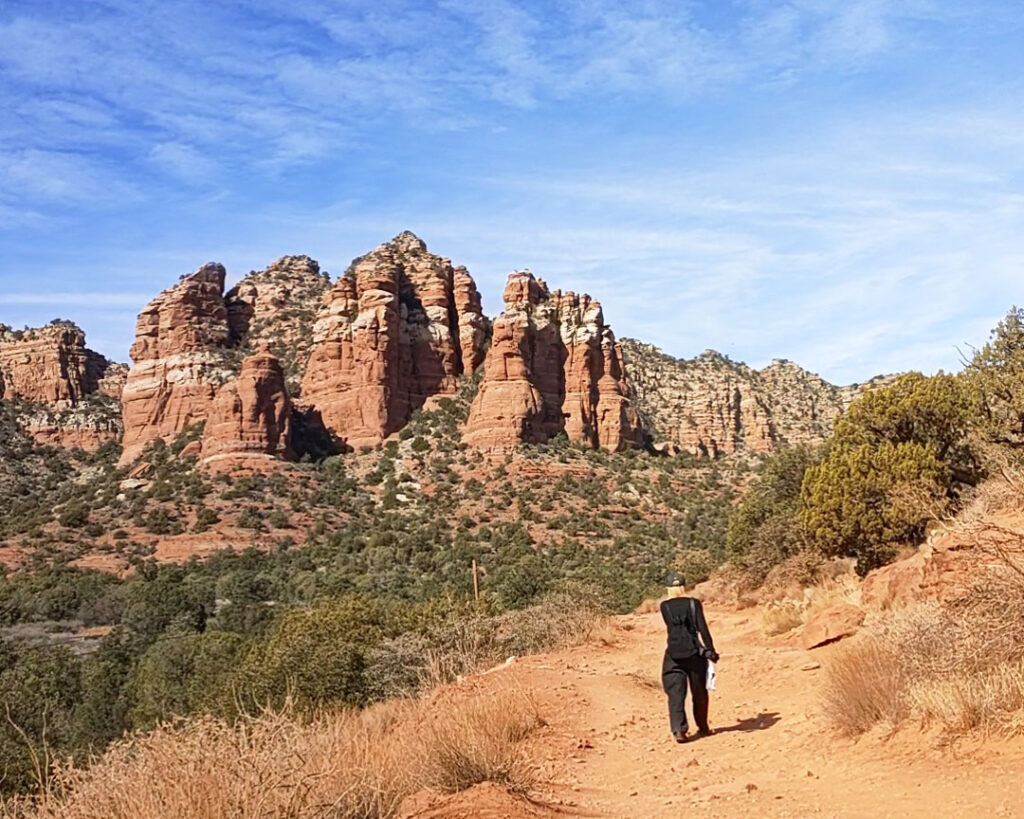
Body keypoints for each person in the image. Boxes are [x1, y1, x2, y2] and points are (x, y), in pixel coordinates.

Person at [660, 571, 719, 743]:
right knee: (699, 692)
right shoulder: (694, 604)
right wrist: (710, 650)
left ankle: (679, 730)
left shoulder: (665, 607)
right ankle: (703, 727)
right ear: (683, 586)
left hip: (673, 655)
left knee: (675, 693)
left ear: (668, 588)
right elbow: (702, 628)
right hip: (694, 654)